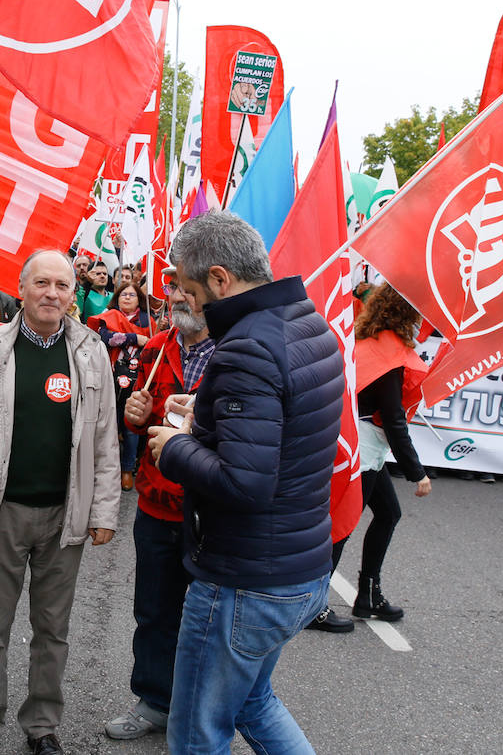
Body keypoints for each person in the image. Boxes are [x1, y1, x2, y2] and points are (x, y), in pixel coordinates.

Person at [147, 211, 341, 755]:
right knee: (254, 704)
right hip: (297, 564)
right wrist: (205, 415)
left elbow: (245, 482)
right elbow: (282, 430)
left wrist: (176, 446)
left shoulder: (246, 347)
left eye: (189, 291)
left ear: (219, 278)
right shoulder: (305, 318)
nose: (188, 304)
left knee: (195, 734)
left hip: (244, 578)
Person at [0, 250, 120, 755]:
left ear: (72, 294)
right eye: (42, 283)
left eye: (62, 285)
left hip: (66, 517)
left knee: (52, 632)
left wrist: (104, 510)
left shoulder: (91, 351)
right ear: (21, 287)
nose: (52, 293)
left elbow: (105, 439)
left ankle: (41, 726)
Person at [105, 273, 214, 741]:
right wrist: (133, 417)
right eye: (175, 291)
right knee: (153, 611)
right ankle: (154, 702)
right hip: (156, 506)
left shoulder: (232, 354)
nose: (179, 298)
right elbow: (142, 421)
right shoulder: (154, 349)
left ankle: (202, 712)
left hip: (210, 511)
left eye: (190, 290)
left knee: (208, 619)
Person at [331, 284, 433, 627]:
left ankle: (368, 595)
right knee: (342, 525)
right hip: (365, 445)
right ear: (406, 314)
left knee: (388, 513)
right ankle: (312, 602)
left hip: (359, 441)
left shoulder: (369, 340)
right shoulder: (390, 352)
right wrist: (416, 471)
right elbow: (392, 416)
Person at [89, 283, 151, 491]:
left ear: (139, 299)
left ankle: (126, 469)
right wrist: (134, 339)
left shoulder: (147, 320)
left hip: (138, 378)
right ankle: (107, 468)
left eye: (132, 294)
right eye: (123, 294)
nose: (127, 297)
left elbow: (151, 345)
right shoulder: (111, 315)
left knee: (131, 426)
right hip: (110, 375)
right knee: (109, 424)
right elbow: (105, 338)